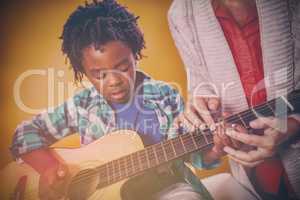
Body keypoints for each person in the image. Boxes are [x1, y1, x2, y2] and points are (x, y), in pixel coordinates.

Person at [10, 0, 211, 199]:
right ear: (83, 72)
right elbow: (24, 133)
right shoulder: (83, 105)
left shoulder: (166, 96)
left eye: (123, 67)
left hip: (167, 189)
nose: (114, 81)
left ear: (136, 54)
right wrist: (50, 168)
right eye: (99, 74)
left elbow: (194, 155)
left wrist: (216, 147)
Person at [168, 0, 300, 199]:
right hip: (252, 186)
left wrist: (295, 124)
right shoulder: (180, 15)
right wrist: (216, 140)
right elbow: (203, 157)